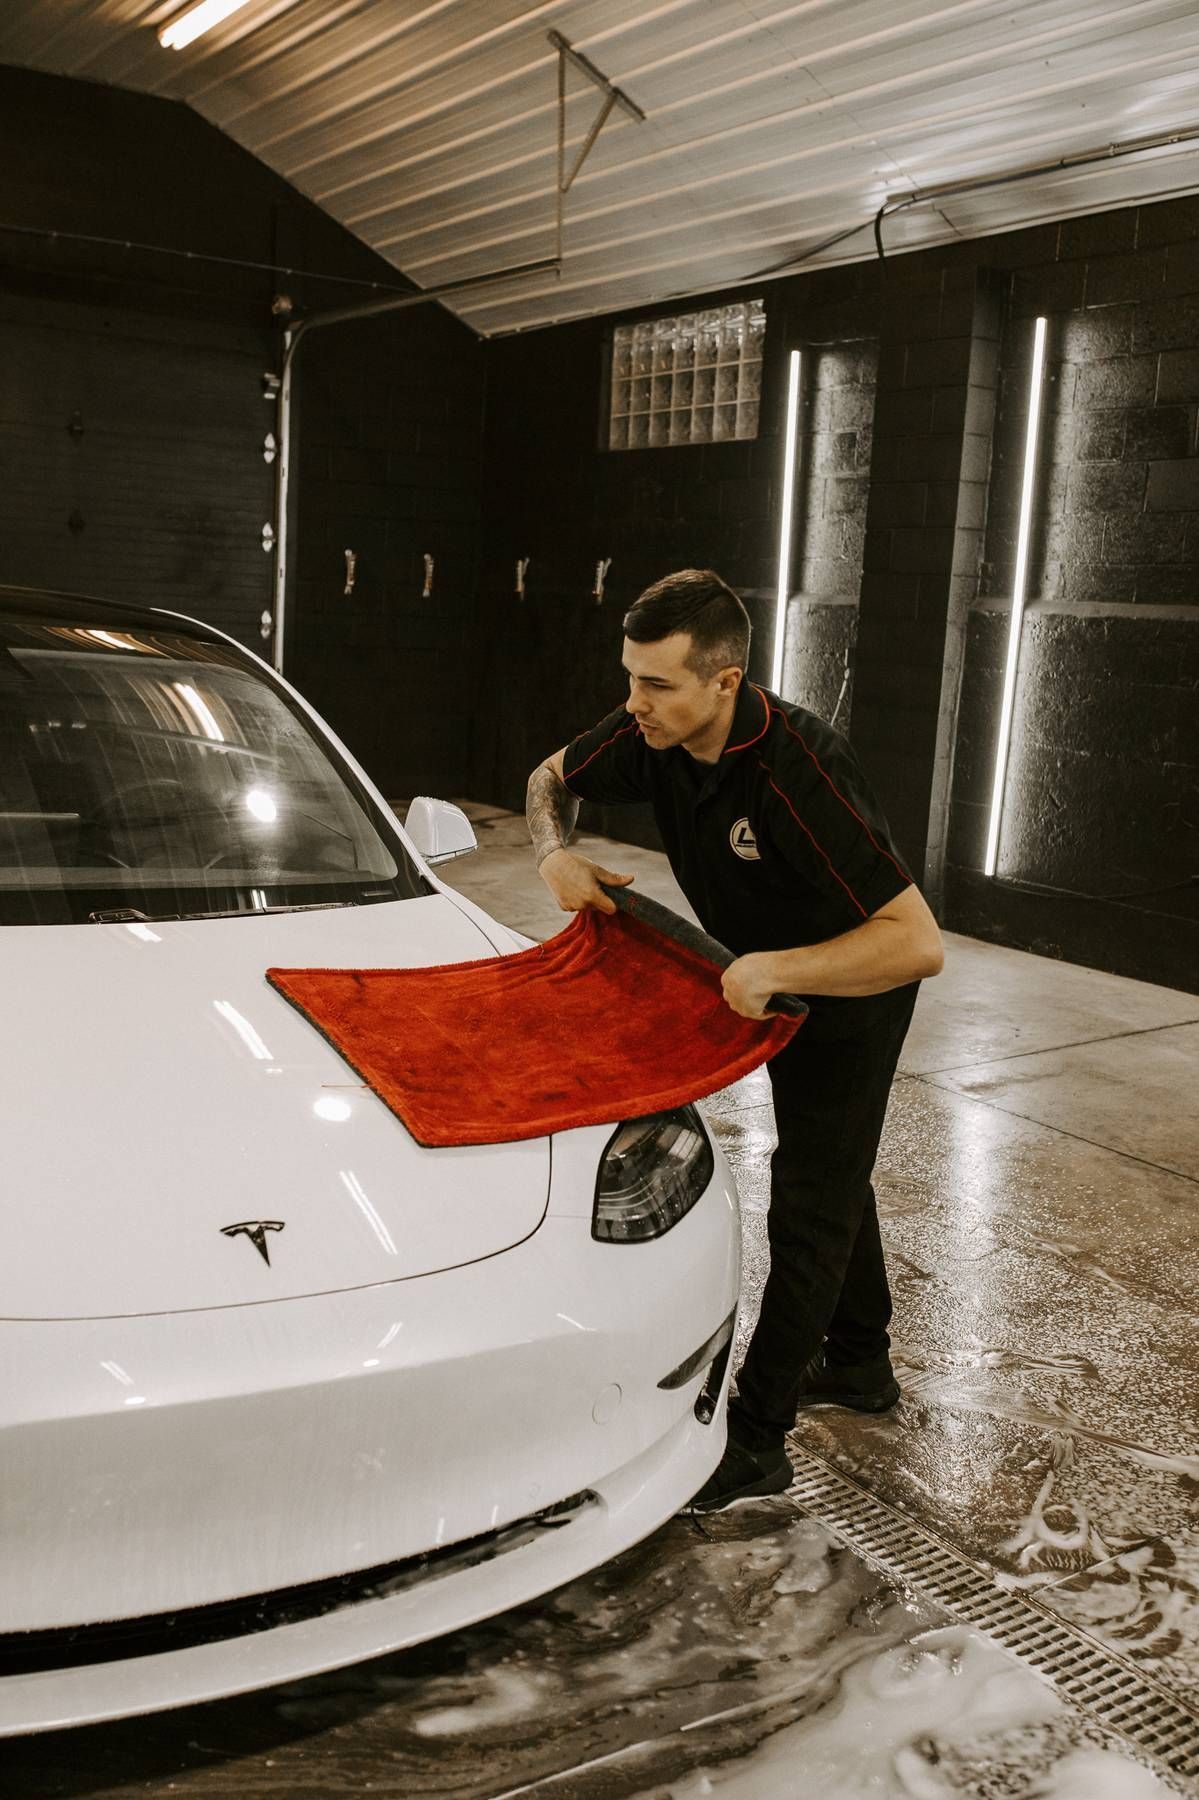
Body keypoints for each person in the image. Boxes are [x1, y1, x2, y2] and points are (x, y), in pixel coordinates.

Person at [525, 568, 943, 1512]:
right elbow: (549, 776)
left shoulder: (799, 766)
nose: (633, 705)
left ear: (724, 680)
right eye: (630, 678)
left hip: (852, 986)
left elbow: (915, 944)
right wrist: (552, 850)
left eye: (657, 685)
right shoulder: (652, 735)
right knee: (830, 1171)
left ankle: (756, 1441)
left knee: (810, 1199)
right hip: (767, 981)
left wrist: (777, 968)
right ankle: (862, 1362)